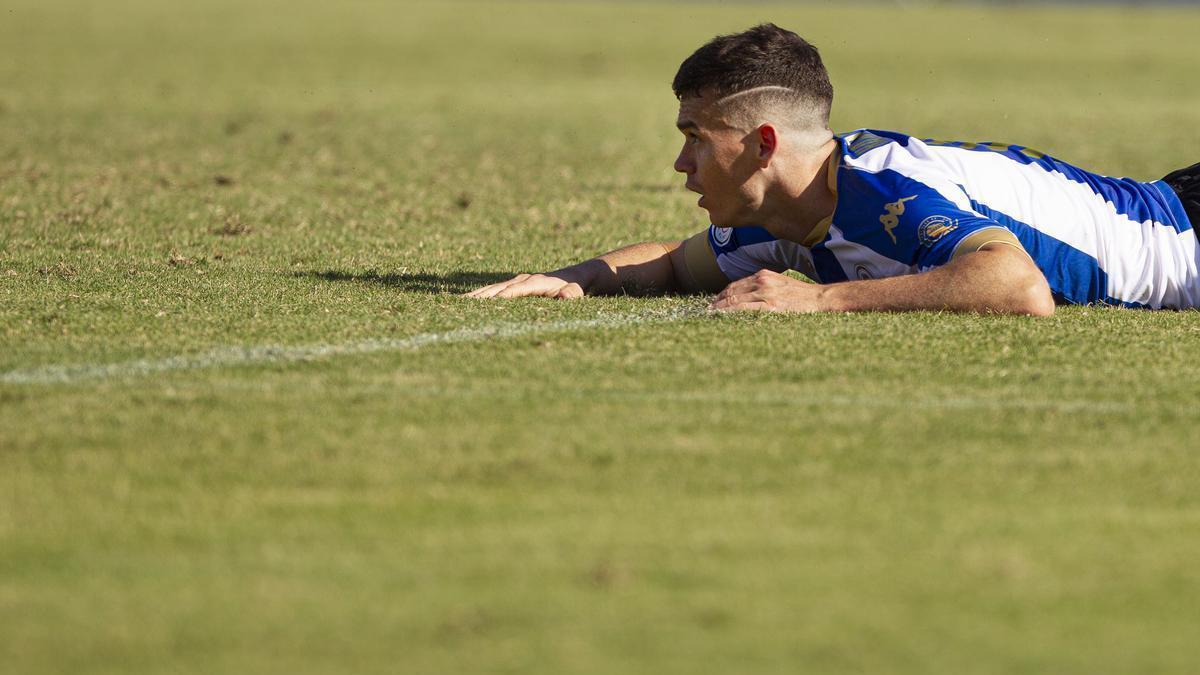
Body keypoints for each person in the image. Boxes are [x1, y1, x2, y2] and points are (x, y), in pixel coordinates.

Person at [467, 24, 1200, 313]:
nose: (681, 161)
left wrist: (817, 304)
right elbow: (671, 262)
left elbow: (1016, 285)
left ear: (762, 143)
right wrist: (579, 275)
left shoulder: (881, 191)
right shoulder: (788, 218)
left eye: (696, 136)